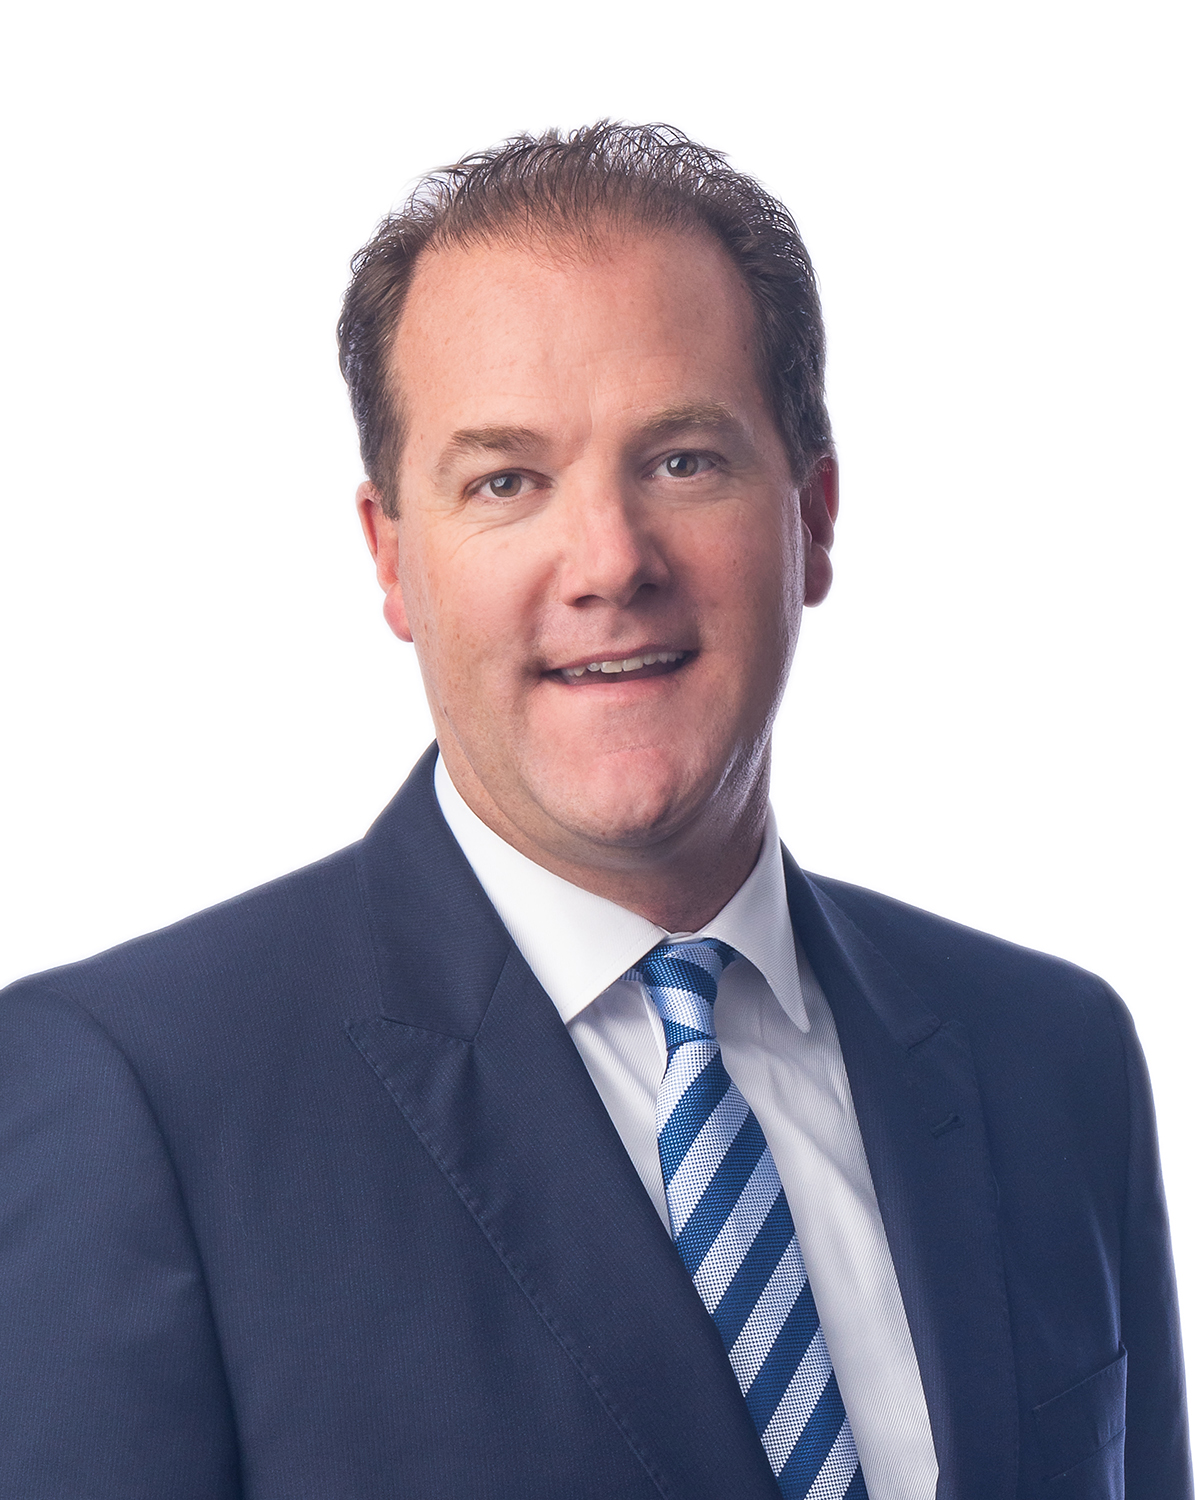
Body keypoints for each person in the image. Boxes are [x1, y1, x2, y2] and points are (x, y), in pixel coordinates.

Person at [0, 122, 1189, 1500]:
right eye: (506, 481)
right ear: (391, 558)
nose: (611, 562)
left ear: (814, 515)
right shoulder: (137, 1102)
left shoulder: (1053, 1060)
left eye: (683, 460)